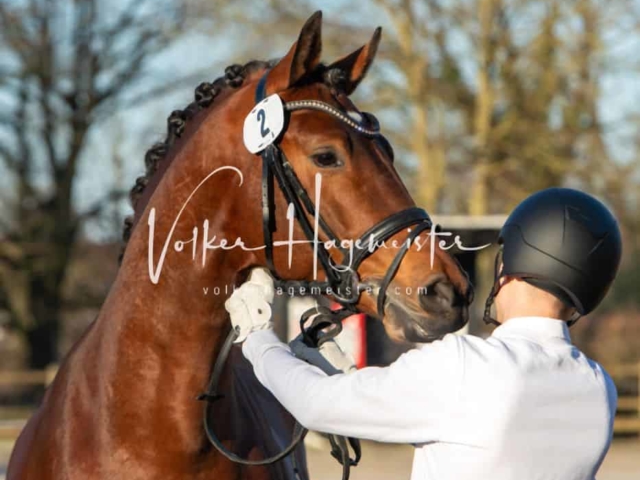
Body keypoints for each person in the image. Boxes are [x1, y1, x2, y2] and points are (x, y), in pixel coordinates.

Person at [225, 188, 622, 480]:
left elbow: (313, 405)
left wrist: (256, 336)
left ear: (509, 265)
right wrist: (347, 379)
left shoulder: (467, 364)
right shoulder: (599, 389)